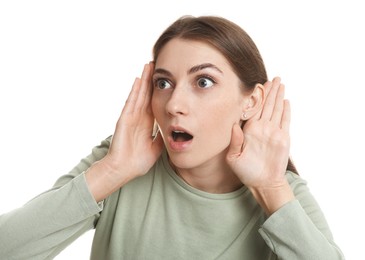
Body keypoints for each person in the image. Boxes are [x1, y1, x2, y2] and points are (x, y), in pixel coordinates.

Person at [0, 15, 344, 259]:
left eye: (203, 82)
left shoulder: (280, 193)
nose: (174, 104)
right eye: (163, 83)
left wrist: (272, 192)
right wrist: (111, 172)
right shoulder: (120, 161)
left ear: (250, 102)